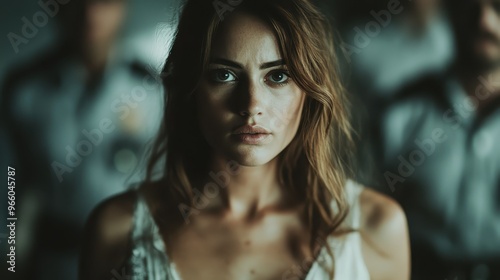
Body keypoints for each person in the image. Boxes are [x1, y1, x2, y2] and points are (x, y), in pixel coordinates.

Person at [79, 0, 410, 279]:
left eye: (278, 76)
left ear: (309, 91)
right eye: (224, 75)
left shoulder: (377, 227)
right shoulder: (117, 230)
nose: (251, 106)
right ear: (190, 90)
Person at [0, 0, 161, 279]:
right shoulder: (25, 89)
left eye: (105, 2)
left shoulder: (151, 89)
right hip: (52, 261)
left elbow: (165, 183)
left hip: (127, 258)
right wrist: (10, 260)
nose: (91, 13)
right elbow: (10, 188)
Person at [371, 0, 500, 279]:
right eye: (471, 8)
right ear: (451, 10)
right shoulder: (399, 112)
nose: (485, 23)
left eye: (499, 8)